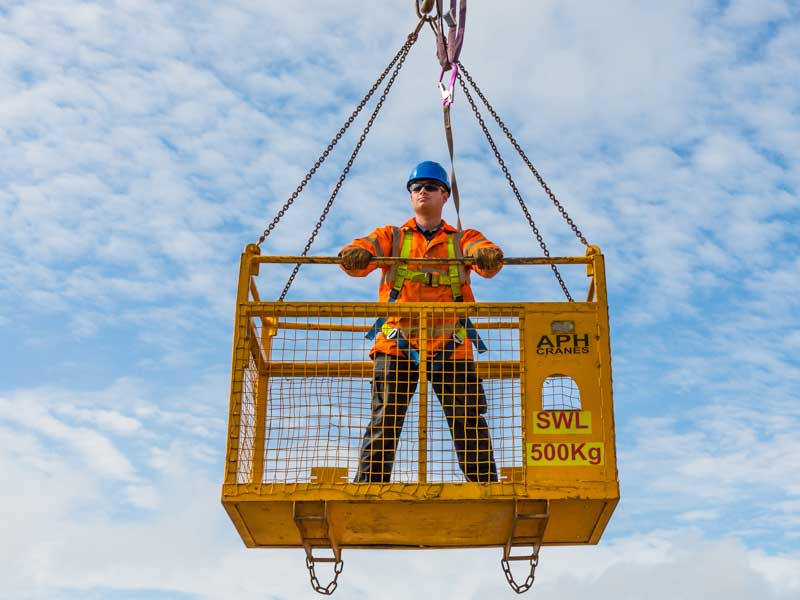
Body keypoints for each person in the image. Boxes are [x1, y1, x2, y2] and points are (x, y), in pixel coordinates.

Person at [339, 160, 504, 483]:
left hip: (450, 345)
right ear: (410, 195)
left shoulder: (461, 239)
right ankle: (369, 487)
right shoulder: (393, 237)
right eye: (417, 188)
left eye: (431, 187)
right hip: (397, 342)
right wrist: (353, 254)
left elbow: (486, 256)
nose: (423, 192)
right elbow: (360, 253)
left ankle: (485, 485)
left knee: (467, 418)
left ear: (446, 195)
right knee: (385, 416)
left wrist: (489, 255)